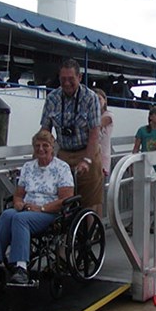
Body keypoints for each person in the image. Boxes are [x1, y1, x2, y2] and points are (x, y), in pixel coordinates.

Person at [0, 130, 74, 285]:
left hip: (50, 212)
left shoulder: (62, 168)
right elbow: (18, 194)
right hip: (27, 209)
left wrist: (41, 208)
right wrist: (18, 203)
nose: (41, 149)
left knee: (19, 219)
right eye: (37, 146)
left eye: (45, 145)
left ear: (52, 147)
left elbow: (66, 199)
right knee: (6, 215)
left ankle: (21, 268)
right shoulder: (28, 167)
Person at [40, 59, 103, 215]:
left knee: (89, 200)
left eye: (71, 79)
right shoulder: (52, 98)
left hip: (87, 151)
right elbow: (45, 130)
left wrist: (87, 160)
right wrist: (40, 153)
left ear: (79, 77)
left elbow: (95, 133)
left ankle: (90, 234)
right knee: (63, 198)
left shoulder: (90, 98)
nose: (67, 83)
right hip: (63, 153)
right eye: (63, 80)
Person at [94, 88, 114, 178]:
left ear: (105, 101)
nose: (96, 102)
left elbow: (96, 125)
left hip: (102, 155)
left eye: (99, 99)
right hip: (92, 154)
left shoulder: (109, 115)